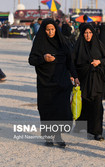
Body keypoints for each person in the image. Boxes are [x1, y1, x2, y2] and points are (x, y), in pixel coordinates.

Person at [28, 18, 80, 148]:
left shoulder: (63, 43)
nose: (50, 32)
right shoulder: (39, 43)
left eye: (52, 29)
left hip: (61, 81)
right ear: (44, 30)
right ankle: (47, 136)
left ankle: (58, 135)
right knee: (47, 110)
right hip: (45, 82)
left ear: (56, 29)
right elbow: (31, 60)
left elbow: (69, 62)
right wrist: (43, 58)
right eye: (48, 30)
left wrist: (75, 76)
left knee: (60, 110)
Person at [72, 24, 105, 141]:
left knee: (97, 105)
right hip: (83, 80)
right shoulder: (78, 46)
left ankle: (97, 132)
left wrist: (99, 62)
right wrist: (74, 76)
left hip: (97, 79)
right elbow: (72, 63)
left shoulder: (98, 44)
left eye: (90, 33)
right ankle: (81, 126)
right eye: (86, 33)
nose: (88, 35)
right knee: (85, 104)